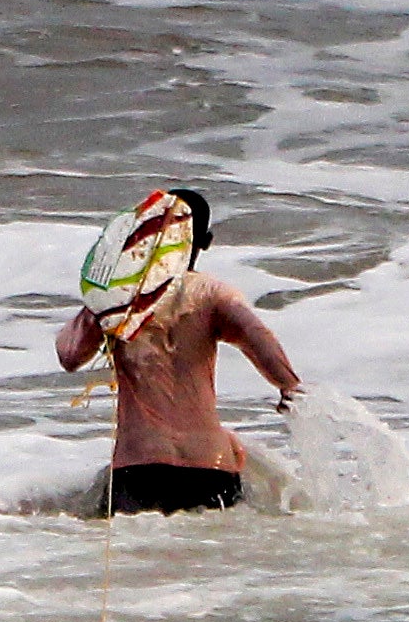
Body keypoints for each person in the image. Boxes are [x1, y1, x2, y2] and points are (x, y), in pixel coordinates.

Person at [54, 186, 300, 513]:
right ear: (206, 242)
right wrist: (288, 385)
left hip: (140, 469)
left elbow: (70, 356)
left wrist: (99, 302)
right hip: (211, 469)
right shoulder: (214, 294)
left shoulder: (121, 303)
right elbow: (255, 334)